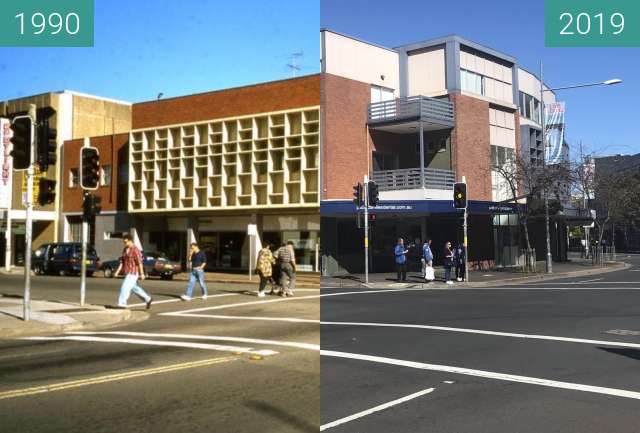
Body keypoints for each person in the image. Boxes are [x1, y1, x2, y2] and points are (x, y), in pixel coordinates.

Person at [113, 233, 153, 309]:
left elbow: (140, 263)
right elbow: (122, 262)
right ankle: (148, 299)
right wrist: (117, 272)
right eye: (124, 242)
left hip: (133, 273)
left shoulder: (136, 250)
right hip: (127, 272)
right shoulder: (125, 250)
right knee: (135, 288)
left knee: (125, 286)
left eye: (126, 242)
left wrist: (142, 274)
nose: (125, 243)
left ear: (130, 241)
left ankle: (122, 303)